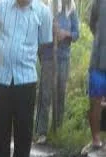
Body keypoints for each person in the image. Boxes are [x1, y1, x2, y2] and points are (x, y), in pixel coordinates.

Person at [0, 0, 52, 157]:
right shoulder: (0, 7)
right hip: (0, 75)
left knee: (24, 123)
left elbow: (45, 45)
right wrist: (6, 54)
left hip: (26, 77)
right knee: (0, 122)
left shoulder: (43, 12)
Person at [35, 0, 79, 144]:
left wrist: (65, 34)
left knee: (60, 94)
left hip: (63, 58)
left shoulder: (71, 8)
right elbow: (38, 32)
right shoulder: (46, 7)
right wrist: (51, 31)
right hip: (48, 57)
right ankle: (41, 132)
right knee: (45, 95)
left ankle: (57, 129)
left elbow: (76, 34)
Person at [88, 0, 106, 150]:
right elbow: (92, 24)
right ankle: (96, 140)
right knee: (95, 101)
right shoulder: (98, 2)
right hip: (98, 58)